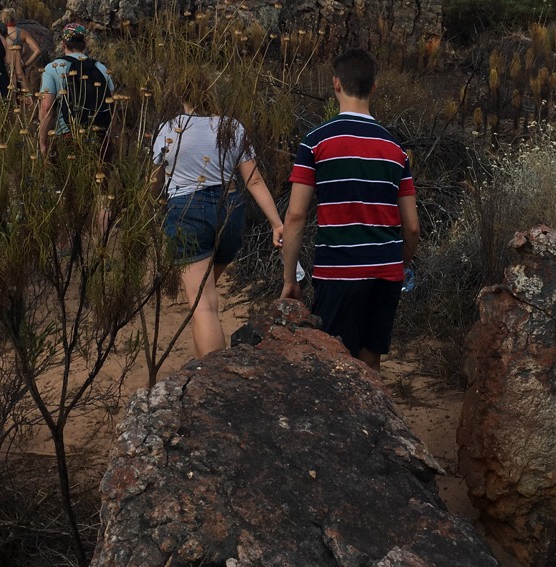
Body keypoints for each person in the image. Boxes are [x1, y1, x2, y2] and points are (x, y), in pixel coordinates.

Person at [280, 48, 419, 372]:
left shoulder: (315, 142)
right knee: (370, 362)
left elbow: (296, 215)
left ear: (336, 83)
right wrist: (398, 266)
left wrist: (290, 278)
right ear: (374, 87)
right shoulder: (395, 148)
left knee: (335, 364)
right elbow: (412, 227)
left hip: (338, 271)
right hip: (386, 272)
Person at [153, 70, 284, 357]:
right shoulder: (231, 126)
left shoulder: (169, 128)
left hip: (187, 210)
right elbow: (254, 180)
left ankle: (215, 374)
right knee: (205, 298)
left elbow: (155, 179)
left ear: (180, 95)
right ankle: (205, 368)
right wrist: (277, 223)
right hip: (230, 210)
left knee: (203, 306)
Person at [38, 24, 115, 160]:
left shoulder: (52, 68)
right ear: (85, 43)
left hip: (67, 136)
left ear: (63, 44)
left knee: (66, 173)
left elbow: (46, 108)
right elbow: (111, 105)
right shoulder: (101, 68)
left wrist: (43, 142)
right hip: (98, 137)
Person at [0, 7, 43, 95]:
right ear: (14, 18)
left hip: (0, 67)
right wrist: (26, 64)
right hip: (18, 68)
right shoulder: (22, 33)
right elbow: (37, 50)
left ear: (1, 19)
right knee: (20, 95)